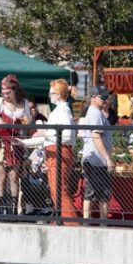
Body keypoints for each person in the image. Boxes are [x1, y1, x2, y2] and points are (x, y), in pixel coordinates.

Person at [0, 76, 33, 216]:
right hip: (1, 142)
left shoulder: (24, 102)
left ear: (15, 90)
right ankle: (2, 207)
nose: (5, 96)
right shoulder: (0, 102)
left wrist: (25, 121)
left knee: (14, 175)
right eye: (3, 93)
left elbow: (28, 120)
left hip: (15, 142)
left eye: (8, 93)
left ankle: (13, 207)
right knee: (1, 175)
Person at [43, 79, 77, 221]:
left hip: (60, 151)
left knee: (59, 189)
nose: (49, 96)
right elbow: (50, 137)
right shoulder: (60, 110)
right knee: (55, 189)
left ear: (57, 94)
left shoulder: (63, 110)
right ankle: (61, 219)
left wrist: (45, 133)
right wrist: (24, 142)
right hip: (54, 150)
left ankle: (71, 222)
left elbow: (66, 135)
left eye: (51, 93)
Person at [80, 85, 114, 220]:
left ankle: (87, 223)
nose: (106, 100)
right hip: (97, 162)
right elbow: (96, 136)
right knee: (101, 196)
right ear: (94, 98)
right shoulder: (95, 113)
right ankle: (100, 225)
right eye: (103, 97)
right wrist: (107, 158)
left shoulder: (94, 112)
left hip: (94, 161)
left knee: (94, 195)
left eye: (107, 97)